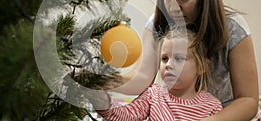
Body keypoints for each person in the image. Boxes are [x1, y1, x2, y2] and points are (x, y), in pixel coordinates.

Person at [112, 0, 259, 120]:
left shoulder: (233, 27)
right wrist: (95, 80)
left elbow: (248, 100)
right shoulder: (156, 24)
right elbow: (141, 78)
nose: (173, 8)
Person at [93, 27, 223, 120]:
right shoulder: (153, 95)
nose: (169, 65)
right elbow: (124, 116)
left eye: (178, 58)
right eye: (164, 59)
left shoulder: (212, 107)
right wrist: (102, 103)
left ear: (201, 67)